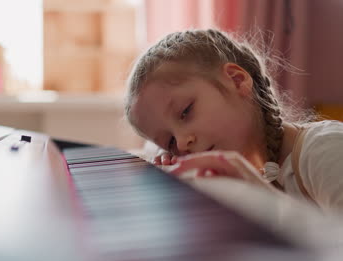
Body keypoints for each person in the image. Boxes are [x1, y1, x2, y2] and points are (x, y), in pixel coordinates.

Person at [124, 28, 343, 213]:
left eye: (185, 112)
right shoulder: (224, 178)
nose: (181, 143)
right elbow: (150, 147)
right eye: (170, 141)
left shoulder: (326, 149)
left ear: (237, 80)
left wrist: (263, 199)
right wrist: (166, 161)